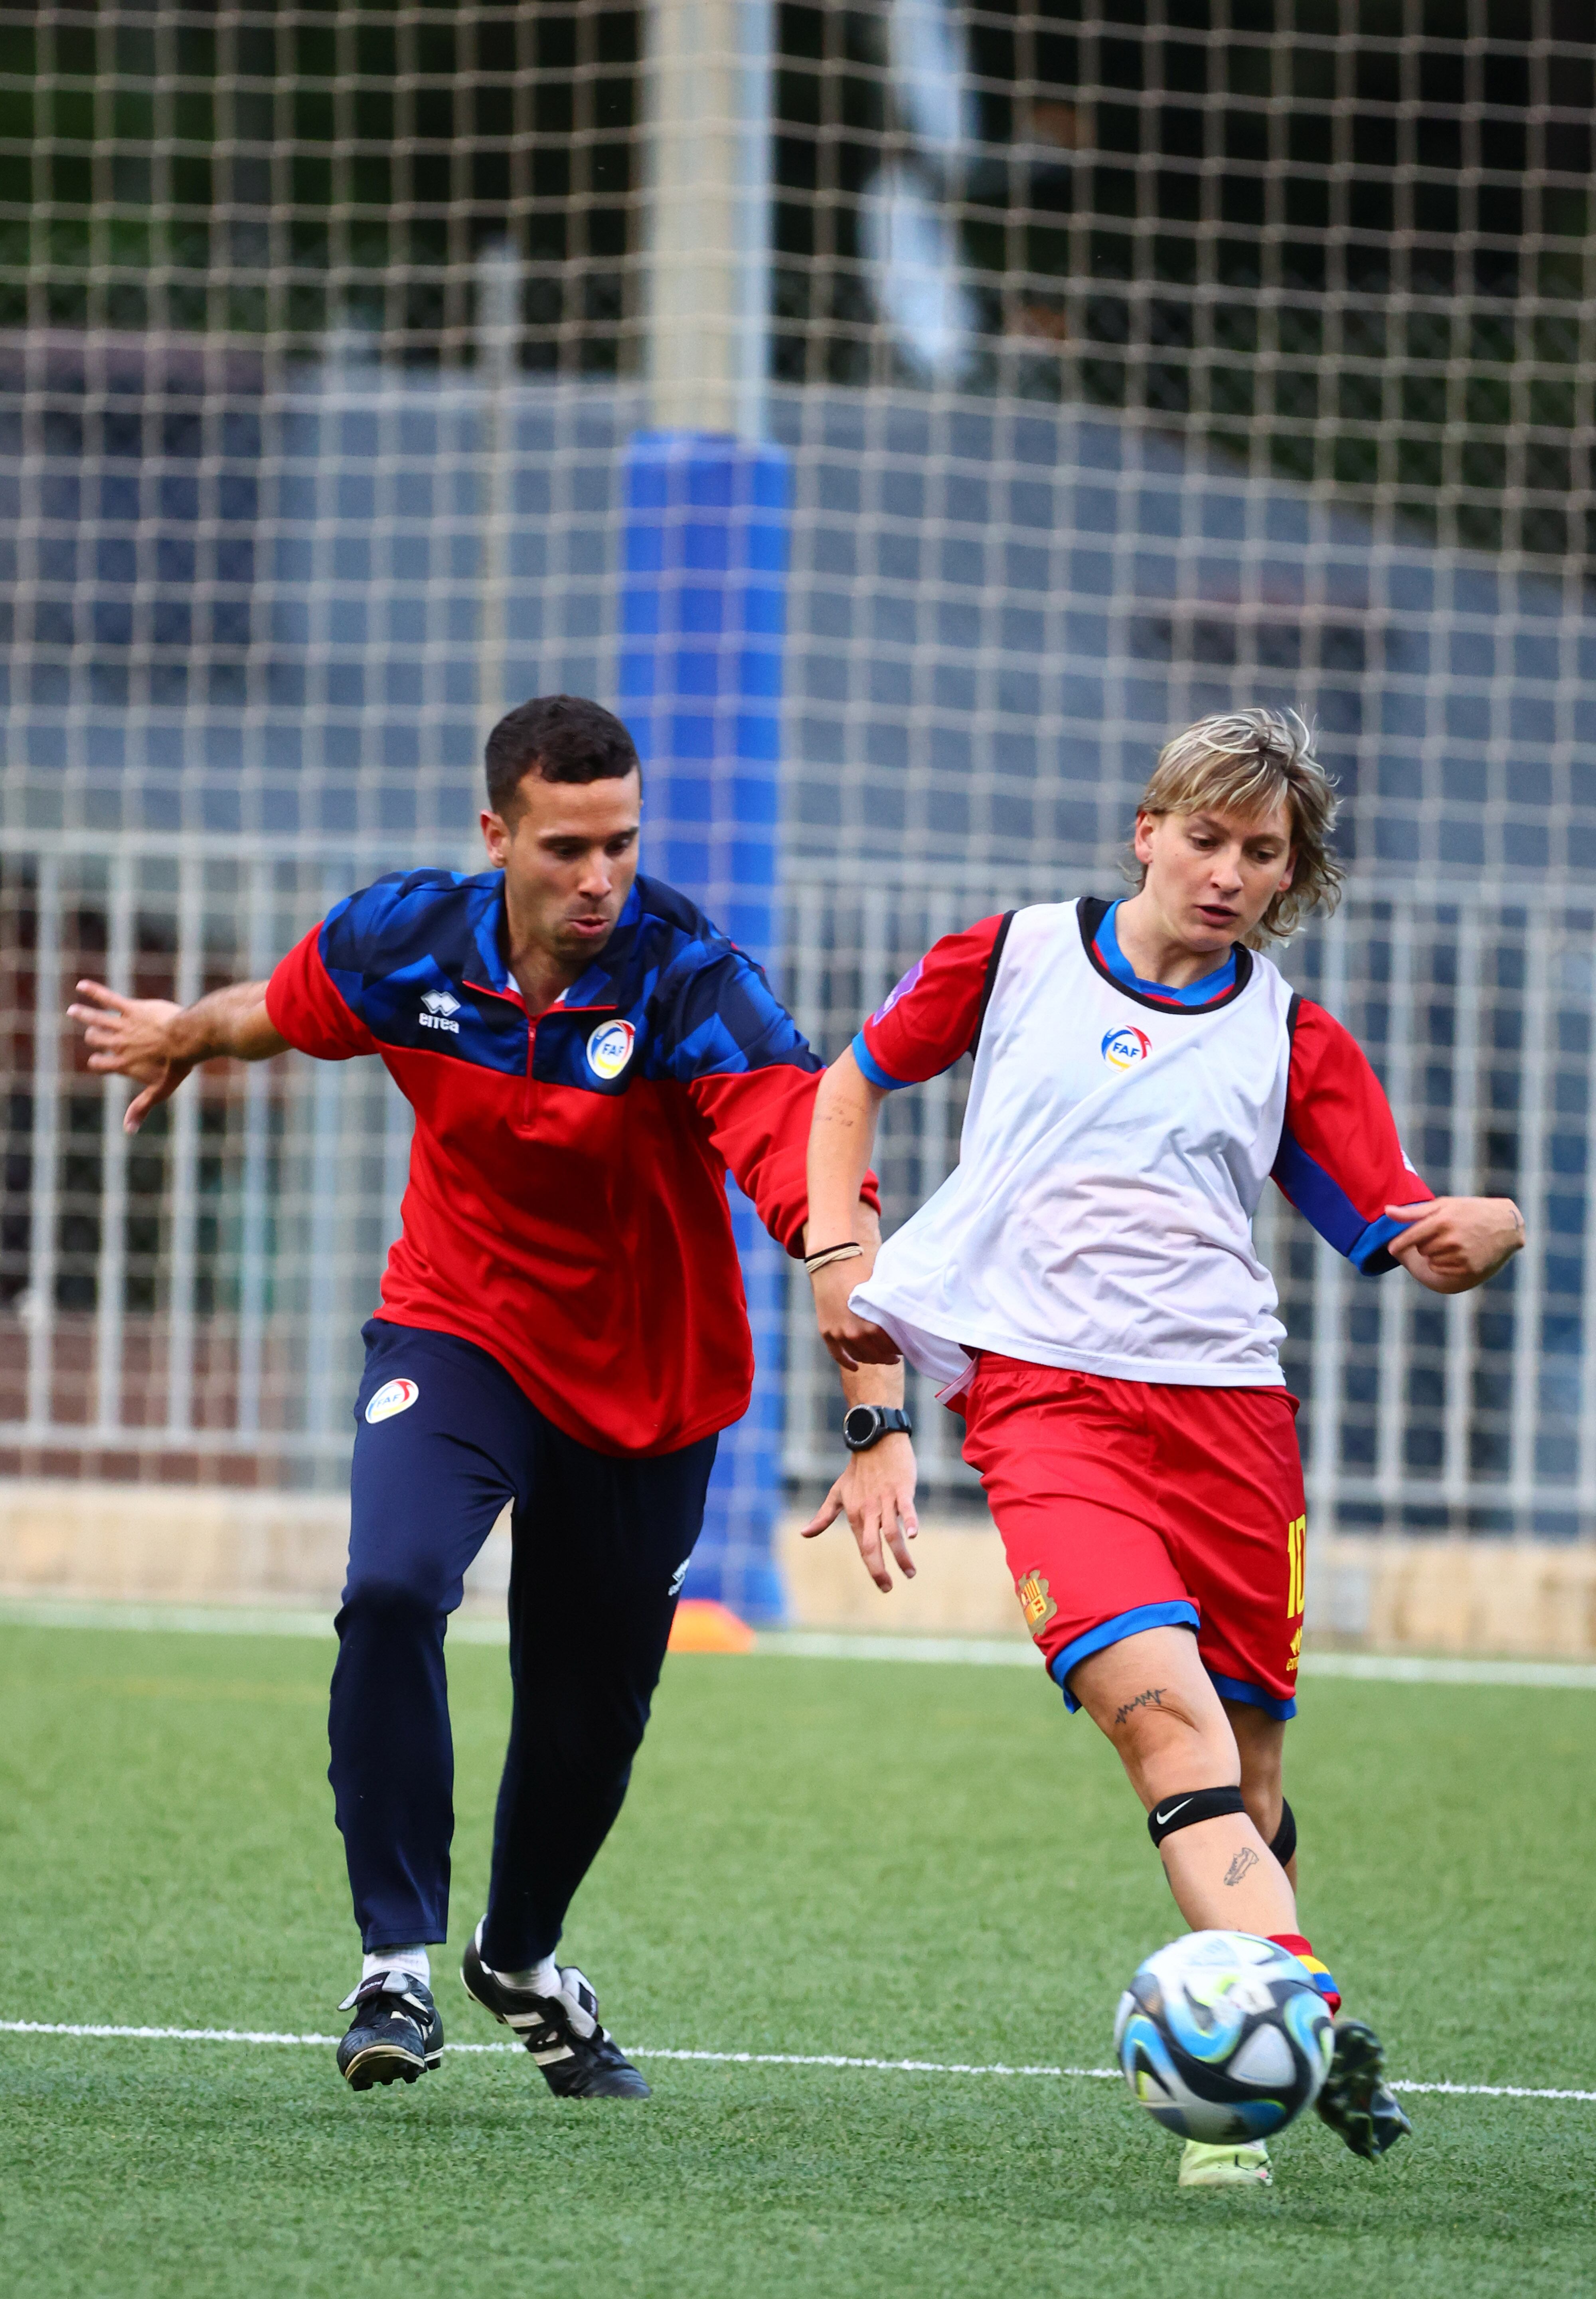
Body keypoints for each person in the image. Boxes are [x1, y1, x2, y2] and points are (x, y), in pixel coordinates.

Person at [69, 692, 890, 2099]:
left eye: (622, 845)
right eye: (569, 847)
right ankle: (394, 1963)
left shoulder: (688, 977)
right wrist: (185, 1036)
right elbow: (273, 1009)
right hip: (458, 1332)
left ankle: (519, 1963)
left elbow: (809, 1160)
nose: (600, 879)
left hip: (646, 1390)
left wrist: (868, 1386)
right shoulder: (404, 940)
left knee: (585, 1714)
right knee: (390, 1586)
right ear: (496, 832)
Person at [801, 709, 1524, 2189]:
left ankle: (1240, 2111)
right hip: (1047, 1408)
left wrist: (1481, 1234)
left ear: (1288, 879)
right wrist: (839, 1248)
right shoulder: (1010, 959)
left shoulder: (1292, 1038)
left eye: (1261, 855)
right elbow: (850, 1081)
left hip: (1232, 1423)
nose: (1226, 872)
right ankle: (1306, 2015)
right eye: (1204, 838)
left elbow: (1398, 1226)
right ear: (1148, 829)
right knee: (1168, 1734)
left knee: (1250, 1776)